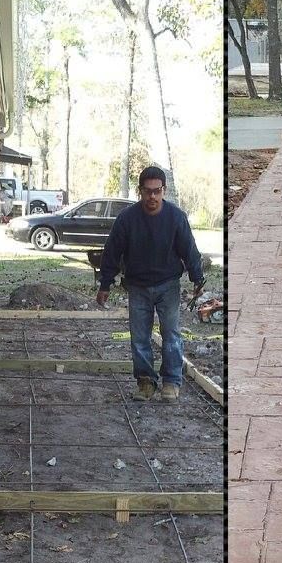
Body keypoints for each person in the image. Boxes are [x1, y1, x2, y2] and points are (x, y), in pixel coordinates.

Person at [97, 166, 204, 402]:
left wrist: (198, 277)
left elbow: (190, 250)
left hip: (168, 286)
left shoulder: (176, 218)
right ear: (140, 192)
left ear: (164, 190)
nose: (152, 197)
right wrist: (105, 283)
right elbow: (112, 253)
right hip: (137, 287)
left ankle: (171, 382)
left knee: (171, 335)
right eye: (148, 192)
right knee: (139, 337)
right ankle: (145, 382)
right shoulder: (127, 219)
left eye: (157, 191)